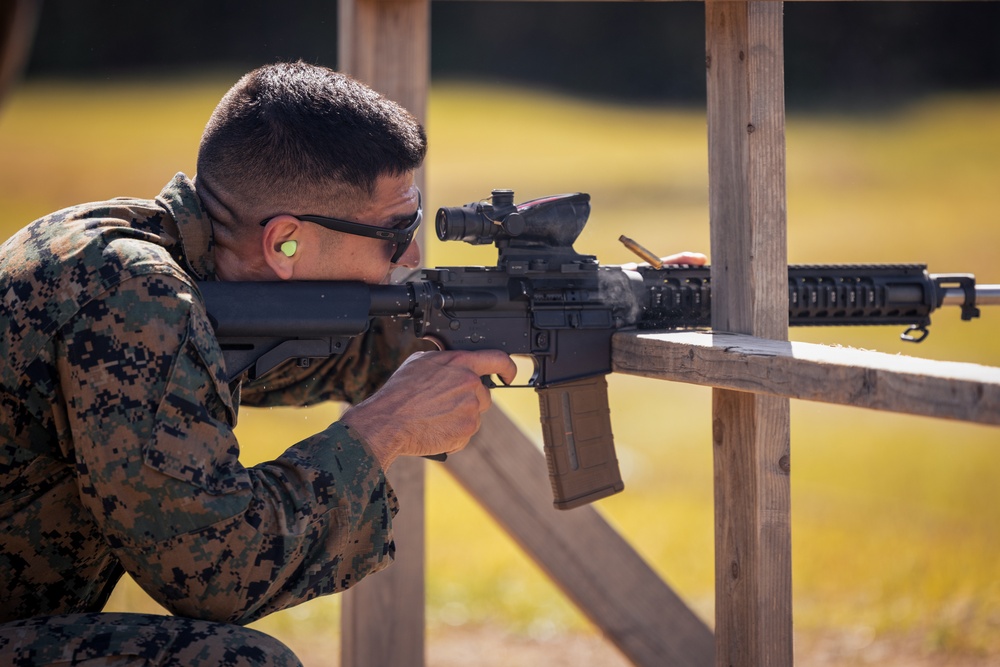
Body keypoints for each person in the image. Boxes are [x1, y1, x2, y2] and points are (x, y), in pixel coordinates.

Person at [0, 61, 517, 666]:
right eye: (395, 230)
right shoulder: (135, 297)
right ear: (284, 243)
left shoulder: (137, 251)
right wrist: (382, 430)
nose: (412, 252)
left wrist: (619, 300)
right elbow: (216, 571)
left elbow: (327, 357)